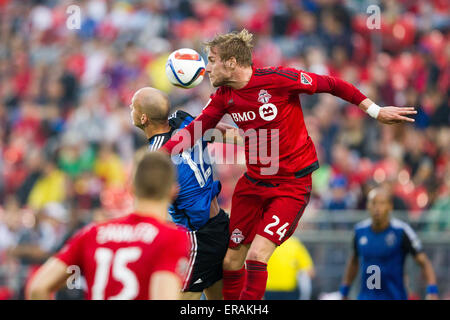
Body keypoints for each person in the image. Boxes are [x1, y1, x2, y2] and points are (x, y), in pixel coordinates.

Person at [160, 29, 417, 300]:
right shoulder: (224, 96)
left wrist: (375, 111)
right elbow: (197, 129)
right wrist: (159, 156)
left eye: (212, 60)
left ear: (231, 62)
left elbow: (332, 84)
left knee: (257, 256)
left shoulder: (278, 79)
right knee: (230, 263)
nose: (207, 67)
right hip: (253, 184)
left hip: (290, 187)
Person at [27, 151, 190, 300]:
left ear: (131, 188)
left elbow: (37, 287)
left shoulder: (93, 233)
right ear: (173, 191)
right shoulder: (172, 238)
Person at [129, 87, 240, 300]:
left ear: (144, 118)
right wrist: (256, 142)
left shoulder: (157, 159)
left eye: (132, 106)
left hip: (197, 238)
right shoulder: (184, 120)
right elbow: (221, 131)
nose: (130, 109)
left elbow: (157, 204)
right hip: (219, 225)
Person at [339, 187, 439, 300]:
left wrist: (432, 291)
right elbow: (353, 261)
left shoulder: (401, 231)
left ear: (390, 206)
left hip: (394, 296)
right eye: (373, 203)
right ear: (367, 206)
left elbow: (424, 262)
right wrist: (344, 291)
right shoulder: (359, 231)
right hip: (366, 296)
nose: (377, 208)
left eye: (382, 203)